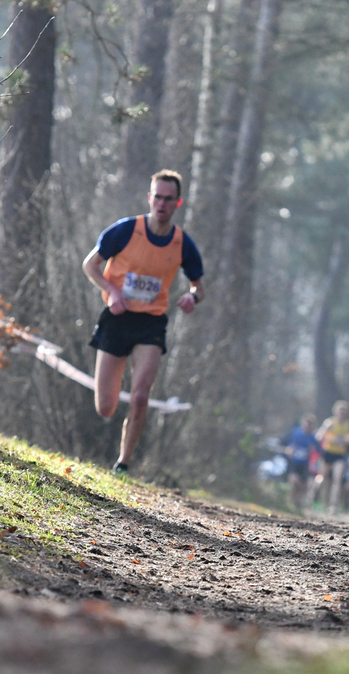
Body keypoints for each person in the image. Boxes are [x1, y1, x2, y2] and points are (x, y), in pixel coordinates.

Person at [82, 169, 204, 474]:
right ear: (150, 198)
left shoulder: (182, 243)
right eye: (158, 197)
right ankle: (117, 451)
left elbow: (199, 287)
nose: (162, 204)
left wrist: (192, 297)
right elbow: (90, 265)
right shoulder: (125, 230)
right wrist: (112, 291)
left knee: (140, 397)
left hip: (151, 324)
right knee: (105, 407)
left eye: (169, 199)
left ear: (178, 203)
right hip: (116, 319)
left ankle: (123, 463)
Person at [314, 400, 349, 515]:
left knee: (338, 479)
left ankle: (333, 506)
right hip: (328, 453)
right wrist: (330, 439)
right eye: (340, 411)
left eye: (344, 411)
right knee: (325, 480)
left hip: (340, 455)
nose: (342, 413)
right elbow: (319, 436)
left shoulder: (348, 424)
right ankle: (324, 502)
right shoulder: (330, 423)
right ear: (335, 411)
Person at [285, 414, 319, 510]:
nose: (307, 426)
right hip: (295, 464)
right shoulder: (296, 433)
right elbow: (290, 445)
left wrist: (313, 451)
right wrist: (289, 450)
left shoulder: (313, 438)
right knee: (294, 481)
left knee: (308, 484)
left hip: (306, 466)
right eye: (306, 424)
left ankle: (298, 503)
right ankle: (290, 502)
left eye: (310, 424)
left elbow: (319, 451)